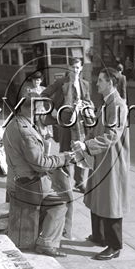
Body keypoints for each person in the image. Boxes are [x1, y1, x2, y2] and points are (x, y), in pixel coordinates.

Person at [3, 85, 75, 257]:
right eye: (42, 109)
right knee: (63, 200)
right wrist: (63, 158)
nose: (44, 113)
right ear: (34, 110)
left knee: (56, 189)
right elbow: (40, 164)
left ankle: (41, 234)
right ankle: (47, 243)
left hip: (17, 181)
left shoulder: (15, 123)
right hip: (28, 186)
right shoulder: (26, 132)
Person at [71, 67, 130, 260]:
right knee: (97, 196)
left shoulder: (118, 105)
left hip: (112, 160)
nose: (97, 83)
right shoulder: (106, 103)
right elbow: (95, 129)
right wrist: (83, 143)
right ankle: (99, 236)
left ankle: (114, 246)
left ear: (111, 83)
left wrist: (87, 145)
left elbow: (113, 135)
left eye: (101, 80)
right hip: (101, 158)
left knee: (111, 201)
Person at [41, 57, 95, 193]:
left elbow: (89, 101)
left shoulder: (85, 84)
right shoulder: (60, 82)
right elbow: (44, 94)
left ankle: (79, 182)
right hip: (65, 119)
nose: (75, 70)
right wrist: (52, 110)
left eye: (78, 67)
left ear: (81, 68)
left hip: (80, 122)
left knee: (81, 150)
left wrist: (86, 105)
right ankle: (65, 182)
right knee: (66, 150)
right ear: (68, 68)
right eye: (73, 67)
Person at [25, 71, 53, 139]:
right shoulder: (29, 90)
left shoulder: (44, 89)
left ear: (41, 81)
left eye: (38, 80)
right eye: (34, 80)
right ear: (32, 80)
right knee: (38, 133)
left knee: (45, 134)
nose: (36, 82)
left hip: (44, 113)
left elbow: (49, 101)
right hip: (34, 113)